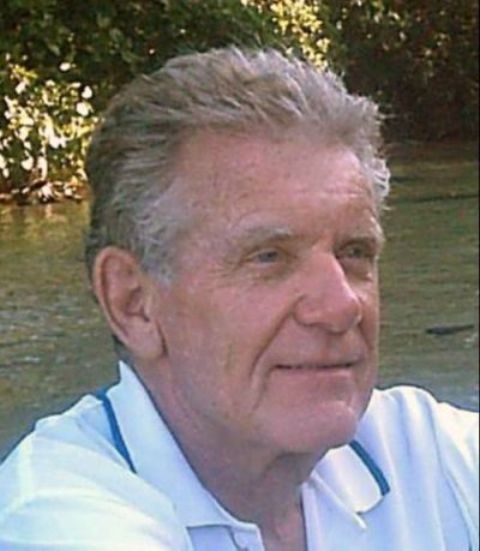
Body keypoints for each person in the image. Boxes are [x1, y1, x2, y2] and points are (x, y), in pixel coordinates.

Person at [0, 47, 477, 551]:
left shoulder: (424, 452)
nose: (342, 306)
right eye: (268, 257)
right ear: (133, 303)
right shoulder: (55, 518)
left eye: (354, 252)